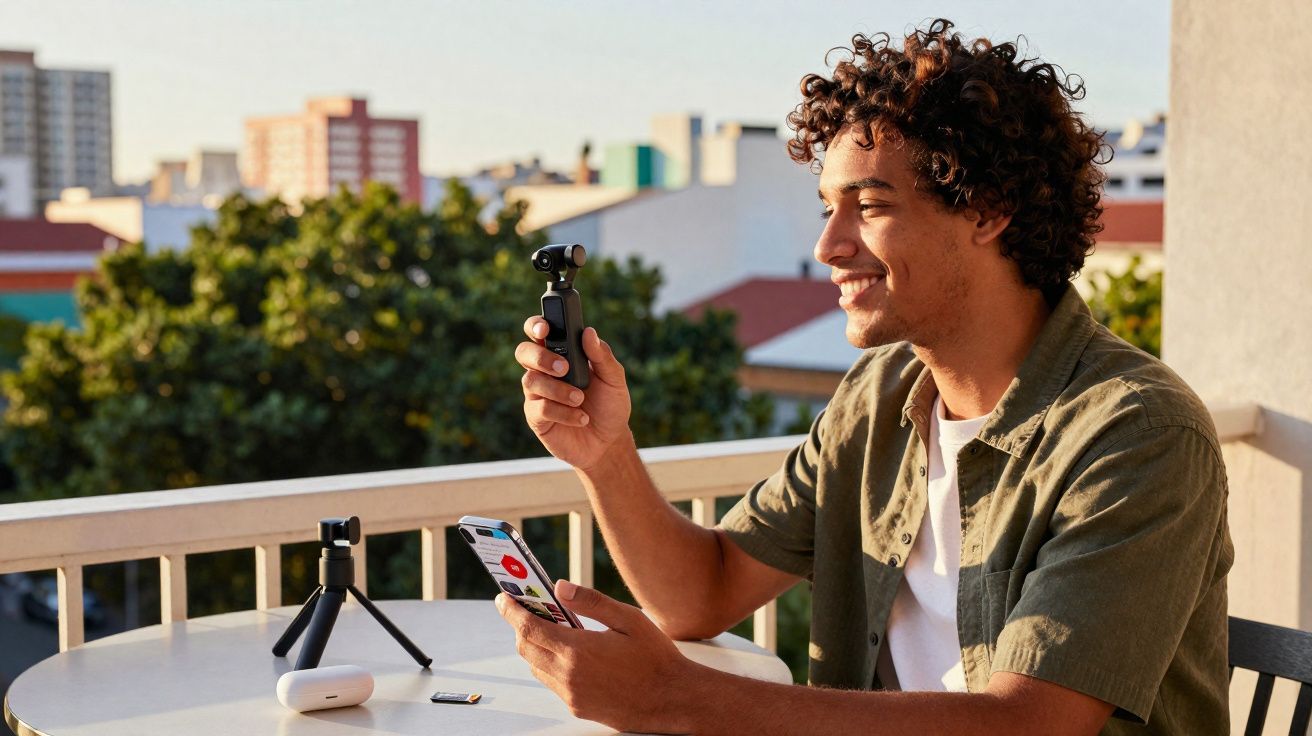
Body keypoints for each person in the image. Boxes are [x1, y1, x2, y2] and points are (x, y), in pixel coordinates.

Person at [501, 18, 1231, 736]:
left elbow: (1030, 723)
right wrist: (605, 453)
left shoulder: (1139, 434)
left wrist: (675, 697)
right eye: (828, 208)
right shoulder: (878, 396)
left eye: (870, 207)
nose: (827, 245)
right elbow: (705, 592)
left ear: (988, 211)